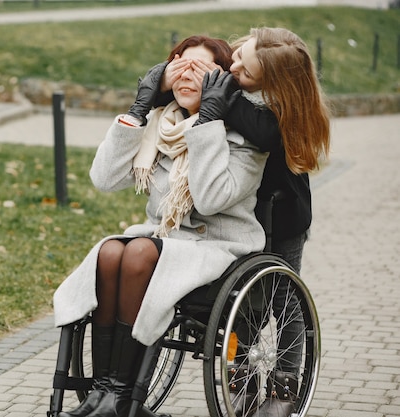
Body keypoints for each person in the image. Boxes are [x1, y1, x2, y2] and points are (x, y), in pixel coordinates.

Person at [53, 35, 269, 417]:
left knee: (136, 250)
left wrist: (208, 123)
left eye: (200, 70)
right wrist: (139, 109)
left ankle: (122, 396)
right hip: (166, 241)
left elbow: (210, 200)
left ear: (221, 81)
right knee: (109, 251)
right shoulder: (160, 126)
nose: (186, 75)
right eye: (178, 66)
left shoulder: (244, 139)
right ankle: (104, 392)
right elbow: (104, 179)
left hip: (219, 247)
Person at [160, 27, 331, 417]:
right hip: (239, 213)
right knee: (243, 304)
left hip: (283, 218)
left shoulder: (279, 114)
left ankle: (286, 379)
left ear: (272, 81)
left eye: (245, 69)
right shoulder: (236, 84)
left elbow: (261, 132)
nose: (233, 67)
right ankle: (240, 372)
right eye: (237, 55)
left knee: (283, 302)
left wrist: (221, 98)